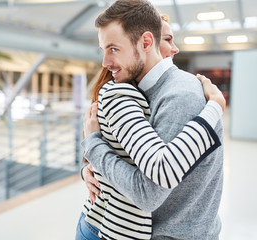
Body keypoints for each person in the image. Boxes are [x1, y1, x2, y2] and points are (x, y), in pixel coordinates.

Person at [78, 0, 224, 239]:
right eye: (104, 50)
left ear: (146, 42)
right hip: (107, 221)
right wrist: (88, 166)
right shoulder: (132, 86)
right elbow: (108, 141)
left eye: (113, 49)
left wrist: (94, 145)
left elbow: (149, 193)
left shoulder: (180, 96)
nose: (105, 62)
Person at [81, 13, 180, 204]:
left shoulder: (172, 92)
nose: (175, 49)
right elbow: (93, 144)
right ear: (146, 43)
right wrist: (87, 167)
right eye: (167, 39)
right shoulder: (117, 94)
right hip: (106, 220)